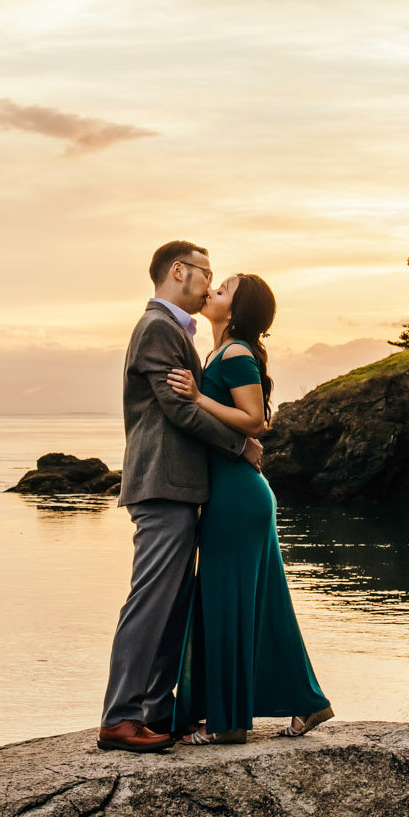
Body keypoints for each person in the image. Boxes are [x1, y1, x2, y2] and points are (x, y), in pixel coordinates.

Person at [97, 241, 263, 753]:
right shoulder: (157, 329)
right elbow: (179, 411)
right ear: (178, 272)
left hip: (180, 486)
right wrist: (242, 443)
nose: (210, 284)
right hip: (162, 485)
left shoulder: (177, 332)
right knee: (151, 600)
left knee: (173, 604)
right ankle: (120, 717)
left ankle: (155, 711)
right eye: (205, 273)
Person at [165, 272, 333, 744]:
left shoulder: (235, 353)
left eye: (223, 291)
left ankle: (231, 722)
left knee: (227, 601)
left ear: (236, 311)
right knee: (261, 603)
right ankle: (309, 702)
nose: (212, 291)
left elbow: (255, 421)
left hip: (238, 496)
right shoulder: (217, 352)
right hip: (229, 493)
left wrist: (197, 397)